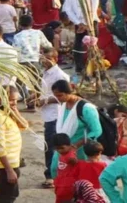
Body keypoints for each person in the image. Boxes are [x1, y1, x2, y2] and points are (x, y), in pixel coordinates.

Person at [51, 79, 102, 171]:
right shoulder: (64, 105)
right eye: (56, 96)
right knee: (56, 169)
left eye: (60, 95)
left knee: (78, 173)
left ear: (69, 92)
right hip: (62, 148)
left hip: (79, 150)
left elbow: (97, 131)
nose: (58, 99)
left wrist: (75, 146)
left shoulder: (86, 108)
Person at [39, 46, 69, 188]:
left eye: (48, 59)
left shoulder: (60, 75)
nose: (45, 61)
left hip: (56, 114)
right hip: (47, 114)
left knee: (52, 146)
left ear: (55, 59)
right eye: (43, 59)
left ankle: (51, 175)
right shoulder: (45, 73)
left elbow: (63, 97)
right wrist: (35, 96)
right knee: (49, 145)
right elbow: (45, 91)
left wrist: (44, 101)